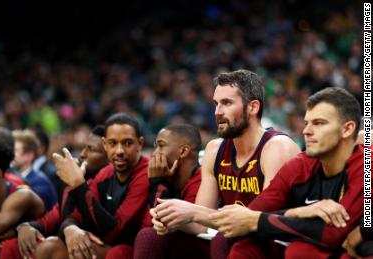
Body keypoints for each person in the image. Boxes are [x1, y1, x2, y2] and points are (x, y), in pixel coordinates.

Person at [150, 69, 300, 258]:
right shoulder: (215, 150)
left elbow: (263, 223)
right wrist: (173, 215)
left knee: (225, 238)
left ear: (253, 107)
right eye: (216, 103)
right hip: (232, 239)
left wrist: (193, 212)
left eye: (226, 103)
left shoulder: (277, 148)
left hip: (275, 245)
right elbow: (200, 225)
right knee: (151, 236)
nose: (217, 112)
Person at [208, 87, 365, 258]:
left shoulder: (366, 167)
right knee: (244, 245)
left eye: (318, 123)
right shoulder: (298, 166)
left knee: (303, 252)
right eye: (306, 123)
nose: (306, 131)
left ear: (347, 129)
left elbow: (332, 234)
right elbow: (246, 218)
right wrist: (295, 212)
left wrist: (258, 220)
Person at [34, 113, 150, 259]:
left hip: (131, 249)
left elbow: (116, 231)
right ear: (105, 144)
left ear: (140, 143)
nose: (119, 151)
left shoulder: (146, 173)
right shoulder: (105, 173)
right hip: (107, 244)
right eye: (113, 143)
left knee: (119, 253)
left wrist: (77, 184)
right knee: (49, 247)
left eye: (127, 143)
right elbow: (74, 214)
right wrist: (71, 228)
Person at [0, 125, 109, 259]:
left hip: (99, 246)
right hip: (70, 240)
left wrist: (69, 227)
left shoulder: (108, 186)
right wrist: (26, 226)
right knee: (11, 246)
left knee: (50, 247)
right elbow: (55, 215)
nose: (82, 154)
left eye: (91, 149)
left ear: (110, 157)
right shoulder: (77, 181)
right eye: (84, 147)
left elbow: (107, 228)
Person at [133, 123, 203, 259]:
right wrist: (159, 182)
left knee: (149, 237)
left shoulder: (201, 180)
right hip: (174, 247)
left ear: (183, 151)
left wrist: (158, 182)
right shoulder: (165, 178)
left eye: (161, 145)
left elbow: (164, 225)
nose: (154, 153)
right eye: (155, 146)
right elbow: (150, 224)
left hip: (198, 248)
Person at [12, 129, 58, 210]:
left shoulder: (40, 182)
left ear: (29, 156)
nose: (11, 154)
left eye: (15, 150)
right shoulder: (11, 176)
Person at [33, 127, 64, 198]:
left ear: (42, 148)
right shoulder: (30, 168)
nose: (28, 148)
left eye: (32, 145)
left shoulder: (51, 173)